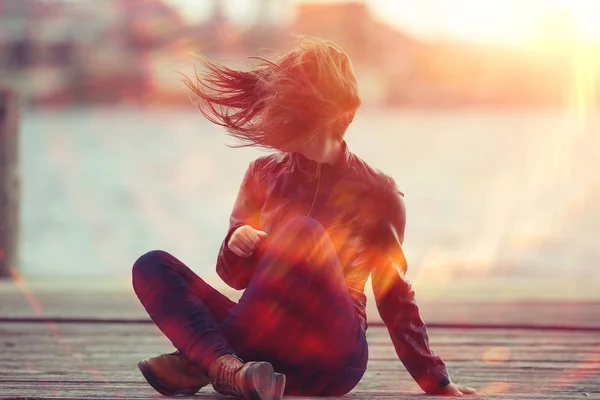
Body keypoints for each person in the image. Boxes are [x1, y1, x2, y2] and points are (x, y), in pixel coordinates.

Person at [132, 36, 476, 399]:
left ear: (323, 113)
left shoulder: (379, 192)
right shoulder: (261, 173)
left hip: (333, 359)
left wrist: (436, 382)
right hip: (264, 360)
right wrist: (237, 244)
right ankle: (229, 369)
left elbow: (395, 297)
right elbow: (234, 279)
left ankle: (202, 362)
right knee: (152, 266)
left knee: (303, 233)